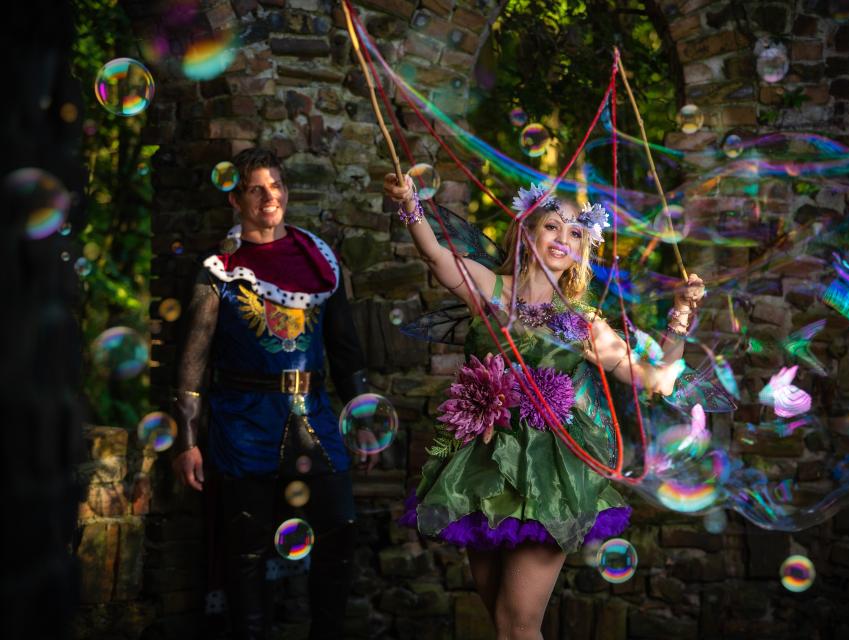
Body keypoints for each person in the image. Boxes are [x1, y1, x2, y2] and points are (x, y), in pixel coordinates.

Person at [384, 174, 704, 640]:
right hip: (482, 468)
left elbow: (655, 379)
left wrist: (681, 316)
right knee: (501, 622)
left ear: (582, 250)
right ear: (527, 231)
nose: (563, 238)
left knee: (519, 625)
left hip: (548, 477)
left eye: (576, 233)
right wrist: (410, 203)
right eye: (553, 225)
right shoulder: (492, 291)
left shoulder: (583, 324)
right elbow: (436, 255)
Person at [170, 148, 371, 640]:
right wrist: (187, 439)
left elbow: (345, 350)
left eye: (276, 185)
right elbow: (194, 356)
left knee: (341, 529)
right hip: (242, 421)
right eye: (256, 189)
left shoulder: (318, 259)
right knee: (246, 550)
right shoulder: (220, 267)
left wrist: (362, 418)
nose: (269, 197)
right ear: (236, 199)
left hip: (314, 416)